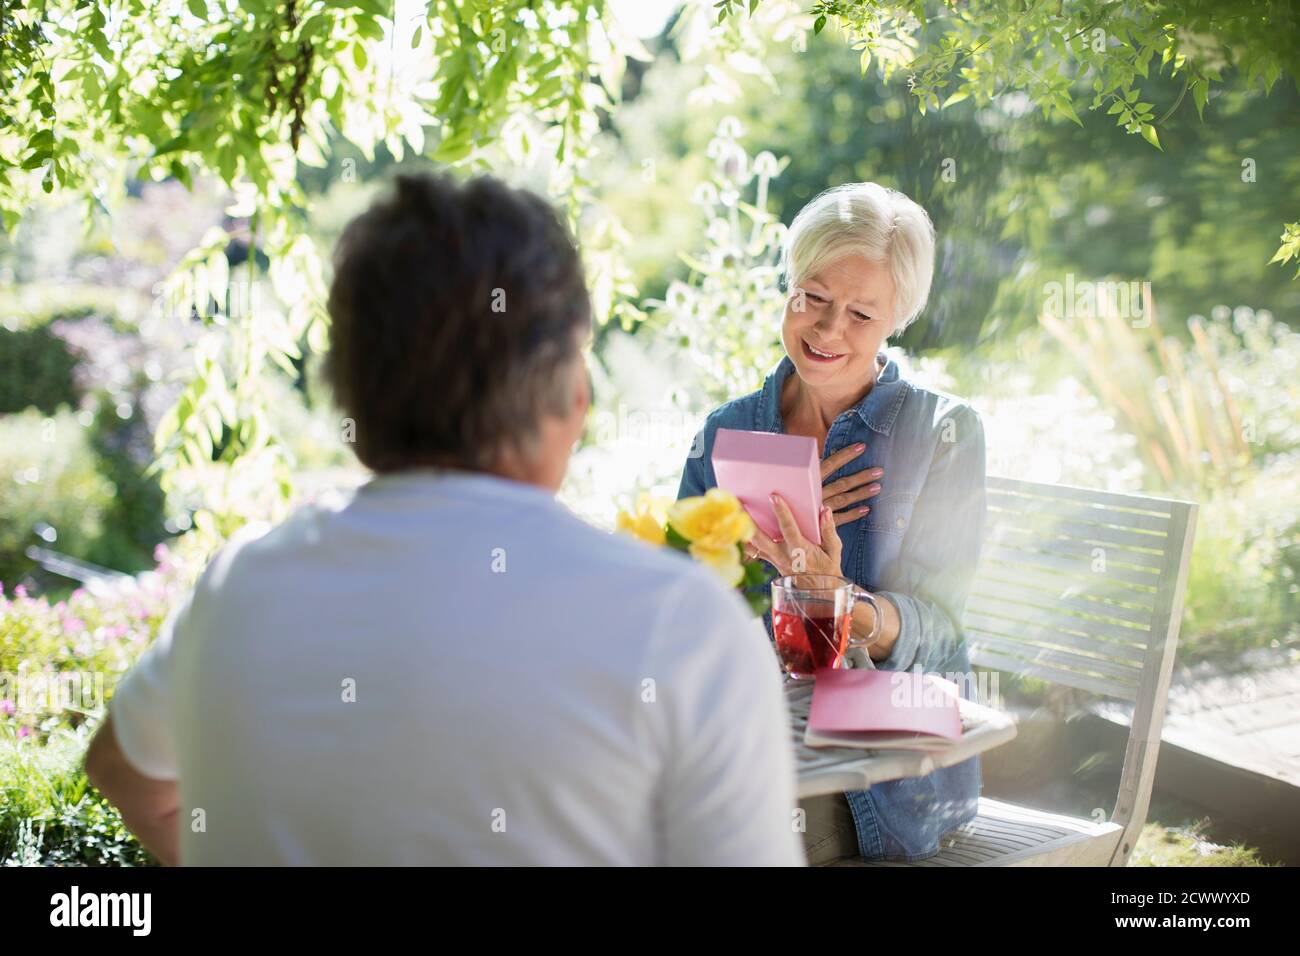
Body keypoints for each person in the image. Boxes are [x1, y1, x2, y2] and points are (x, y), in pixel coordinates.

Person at [85, 173, 804, 866]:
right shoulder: (681, 629)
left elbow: (124, 772)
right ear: (573, 397)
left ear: (351, 396)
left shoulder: (237, 588)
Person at [678, 182, 986, 863]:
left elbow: (942, 631)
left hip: (891, 767)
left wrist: (839, 599)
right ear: (789, 283)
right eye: (812, 297)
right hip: (753, 741)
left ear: (898, 318)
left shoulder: (943, 433)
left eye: (861, 314)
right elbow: (680, 615)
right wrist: (741, 561)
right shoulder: (728, 431)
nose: (827, 330)